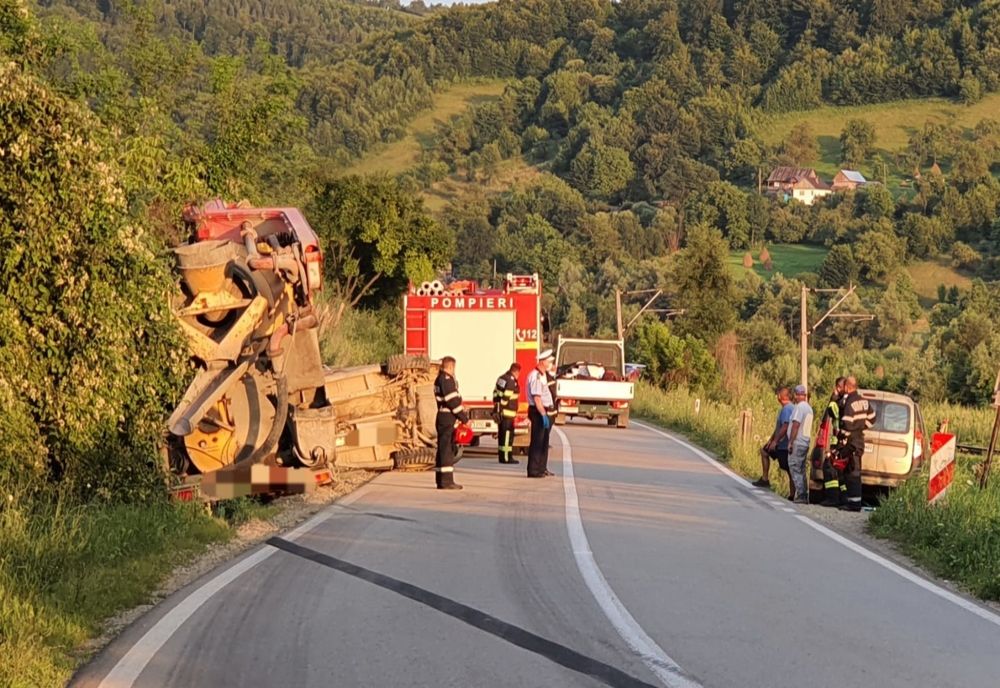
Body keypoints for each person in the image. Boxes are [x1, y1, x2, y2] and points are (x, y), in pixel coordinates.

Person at [837, 376, 876, 511]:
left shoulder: (850, 402)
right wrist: (861, 428)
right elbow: (872, 419)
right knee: (852, 470)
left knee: (852, 472)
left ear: (847, 387)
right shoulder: (864, 401)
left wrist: (842, 433)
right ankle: (852, 501)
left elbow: (847, 424)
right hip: (859, 439)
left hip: (851, 441)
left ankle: (854, 504)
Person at [434, 356, 469, 490]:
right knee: (447, 450)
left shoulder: (439, 379)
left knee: (442, 449)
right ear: (450, 367)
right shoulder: (447, 380)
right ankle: (447, 481)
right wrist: (465, 419)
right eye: (454, 368)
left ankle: (440, 480)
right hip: (447, 418)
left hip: (442, 416)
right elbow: (452, 402)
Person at [753, 387, 795, 498]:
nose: (777, 396)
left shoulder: (787, 409)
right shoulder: (786, 408)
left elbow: (785, 426)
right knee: (764, 451)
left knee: (789, 469)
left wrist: (775, 441)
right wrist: (771, 440)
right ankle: (765, 479)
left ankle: (793, 495)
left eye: (778, 394)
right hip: (779, 443)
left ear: (782, 397)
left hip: (784, 445)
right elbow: (779, 427)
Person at [814, 377, 847, 507]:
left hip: (839, 441)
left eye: (837, 388)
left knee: (830, 468)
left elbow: (832, 412)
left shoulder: (840, 401)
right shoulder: (848, 400)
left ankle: (833, 498)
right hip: (842, 440)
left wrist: (833, 398)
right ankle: (843, 498)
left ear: (839, 387)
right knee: (840, 472)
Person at [526, 350, 555, 478]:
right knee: (537, 442)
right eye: (549, 362)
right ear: (542, 362)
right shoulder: (536, 376)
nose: (550, 364)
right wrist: (543, 414)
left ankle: (541, 468)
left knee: (544, 442)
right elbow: (537, 398)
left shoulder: (542, 375)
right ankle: (533, 470)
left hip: (544, 410)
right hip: (538, 411)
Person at [787, 384, 814, 505]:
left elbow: (796, 425)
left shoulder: (799, 407)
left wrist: (791, 442)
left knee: (795, 467)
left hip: (798, 442)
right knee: (802, 469)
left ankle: (801, 495)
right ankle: (804, 493)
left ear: (797, 395)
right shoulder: (809, 408)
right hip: (805, 442)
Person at [492, 362, 521, 465]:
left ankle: (501, 456)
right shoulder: (511, 381)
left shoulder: (502, 378)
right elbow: (506, 396)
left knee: (502, 435)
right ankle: (506, 457)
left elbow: (495, 393)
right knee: (507, 436)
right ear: (516, 371)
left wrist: (498, 407)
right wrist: (503, 406)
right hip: (508, 413)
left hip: (501, 412)